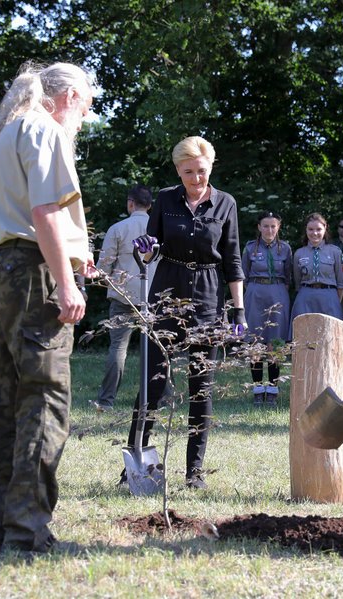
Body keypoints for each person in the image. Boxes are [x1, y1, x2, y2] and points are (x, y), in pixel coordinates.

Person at [0, 61, 96, 554]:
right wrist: (66, 282)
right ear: (68, 97)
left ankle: (1, 529)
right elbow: (46, 212)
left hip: (0, 269)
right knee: (44, 400)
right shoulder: (44, 129)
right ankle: (28, 534)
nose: (82, 121)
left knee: (6, 405)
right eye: (86, 109)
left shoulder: (1, 134)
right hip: (35, 275)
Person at [129, 135, 246, 490]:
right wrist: (145, 250)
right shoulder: (165, 199)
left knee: (201, 387)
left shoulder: (226, 203)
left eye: (202, 171)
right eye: (188, 172)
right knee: (153, 384)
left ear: (211, 167)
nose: (196, 178)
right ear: (178, 171)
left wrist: (238, 310)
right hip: (166, 293)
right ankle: (134, 466)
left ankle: (194, 473)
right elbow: (149, 251)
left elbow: (233, 259)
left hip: (209, 298)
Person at [93, 184, 153, 412]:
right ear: (150, 205)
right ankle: (164, 398)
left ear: (130, 203)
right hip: (153, 296)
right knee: (158, 348)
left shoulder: (118, 228)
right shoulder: (160, 228)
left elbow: (104, 265)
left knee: (118, 348)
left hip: (123, 296)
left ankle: (106, 401)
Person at [242, 210, 292, 406]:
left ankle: (272, 389)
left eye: (273, 226)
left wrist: (277, 291)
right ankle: (257, 389)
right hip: (255, 293)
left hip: (278, 292)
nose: (269, 229)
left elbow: (289, 276)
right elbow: (243, 274)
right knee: (255, 342)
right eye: (265, 226)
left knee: (275, 343)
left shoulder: (286, 249)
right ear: (259, 227)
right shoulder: (250, 248)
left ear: (278, 227)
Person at [290, 213, 343, 326]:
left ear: (325, 229)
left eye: (318, 229)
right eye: (310, 229)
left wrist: (334, 300)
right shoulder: (299, 253)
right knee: (303, 332)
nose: (314, 233)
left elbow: (341, 282)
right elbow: (297, 280)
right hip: (305, 297)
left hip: (329, 296)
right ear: (306, 230)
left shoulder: (335, 252)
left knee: (329, 332)